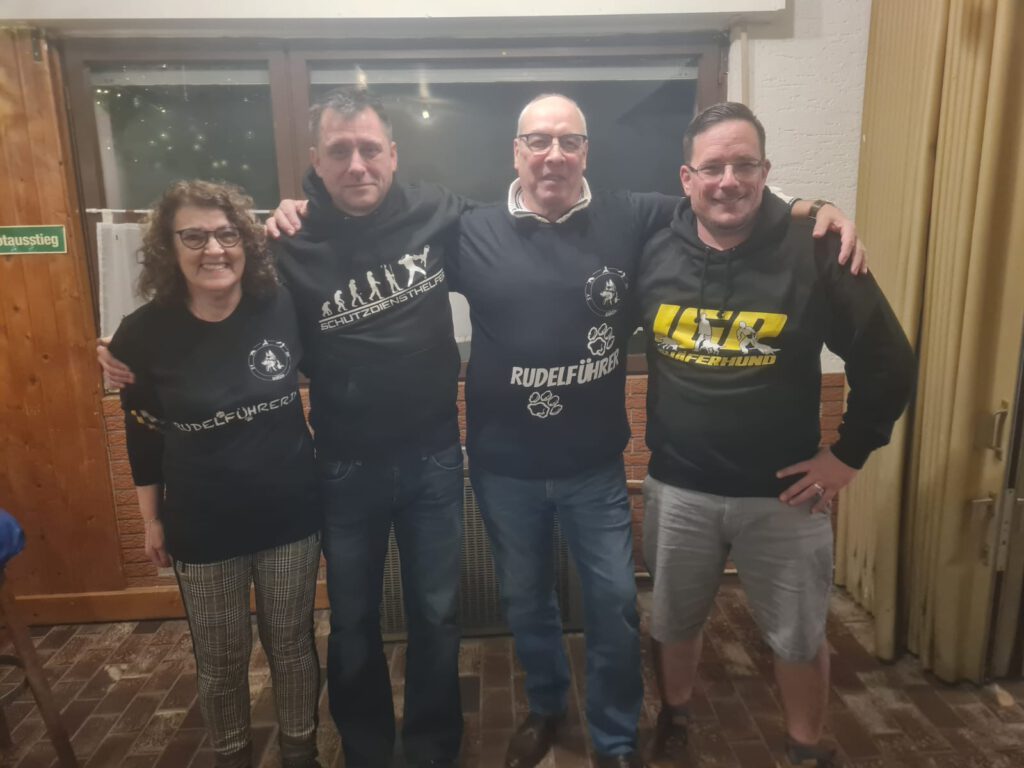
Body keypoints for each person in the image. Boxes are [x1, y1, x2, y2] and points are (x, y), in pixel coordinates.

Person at [635, 102, 915, 767]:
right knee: (672, 622)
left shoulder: (816, 249)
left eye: (745, 165)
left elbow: (888, 360)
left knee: (798, 635)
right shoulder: (650, 249)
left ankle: (805, 747)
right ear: (686, 177)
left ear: (766, 172)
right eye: (712, 167)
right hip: (679, 488)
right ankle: (675, 717)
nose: (728, 181)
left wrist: (848, 455)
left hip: (786, 495)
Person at [108, 180, 322, 768]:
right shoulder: (141, 333)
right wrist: (151, 520)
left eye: (227, 234)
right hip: (201, 524)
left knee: (292, 645)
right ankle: (231, 755)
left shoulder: (282, 305)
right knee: (221, 657)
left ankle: (301, 751)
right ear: (168, 248)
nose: (214, 250)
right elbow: (142, 429)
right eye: (194, 237)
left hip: (289, 514)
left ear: (245, 242)